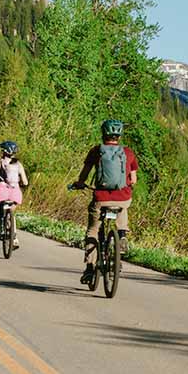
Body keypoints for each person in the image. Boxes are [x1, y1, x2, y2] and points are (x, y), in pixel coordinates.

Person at [72, 119, 138, 285]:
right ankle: (121, 235)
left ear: (103, 133)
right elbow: (134, 179)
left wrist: (80, 183)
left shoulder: (96, 151)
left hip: (101, 198)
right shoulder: (128, 153)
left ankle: (89, 268)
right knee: (123, 208)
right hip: (122, 197)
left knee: (93, 230)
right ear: (119, 135)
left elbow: (85, 173)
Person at [0, 140, 28, 249]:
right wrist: (20, 184)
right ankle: (14, 237)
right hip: (15, 193)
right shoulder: (18, 165)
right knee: (11, 214)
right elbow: (25, 182)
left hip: (2, 192)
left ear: (3, 151)